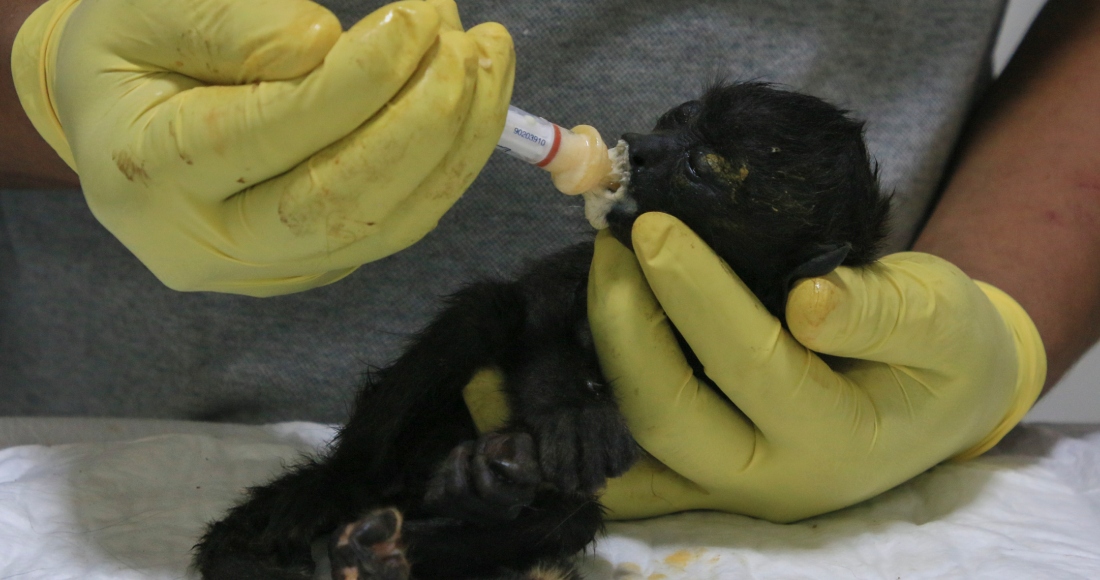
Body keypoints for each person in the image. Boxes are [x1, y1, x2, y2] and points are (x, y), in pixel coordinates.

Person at [1, 0, 1097, 523]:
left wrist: (997, 325)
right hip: (133, 434)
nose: (649, 148)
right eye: (677, 124)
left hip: (846, 445)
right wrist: (51, 72)